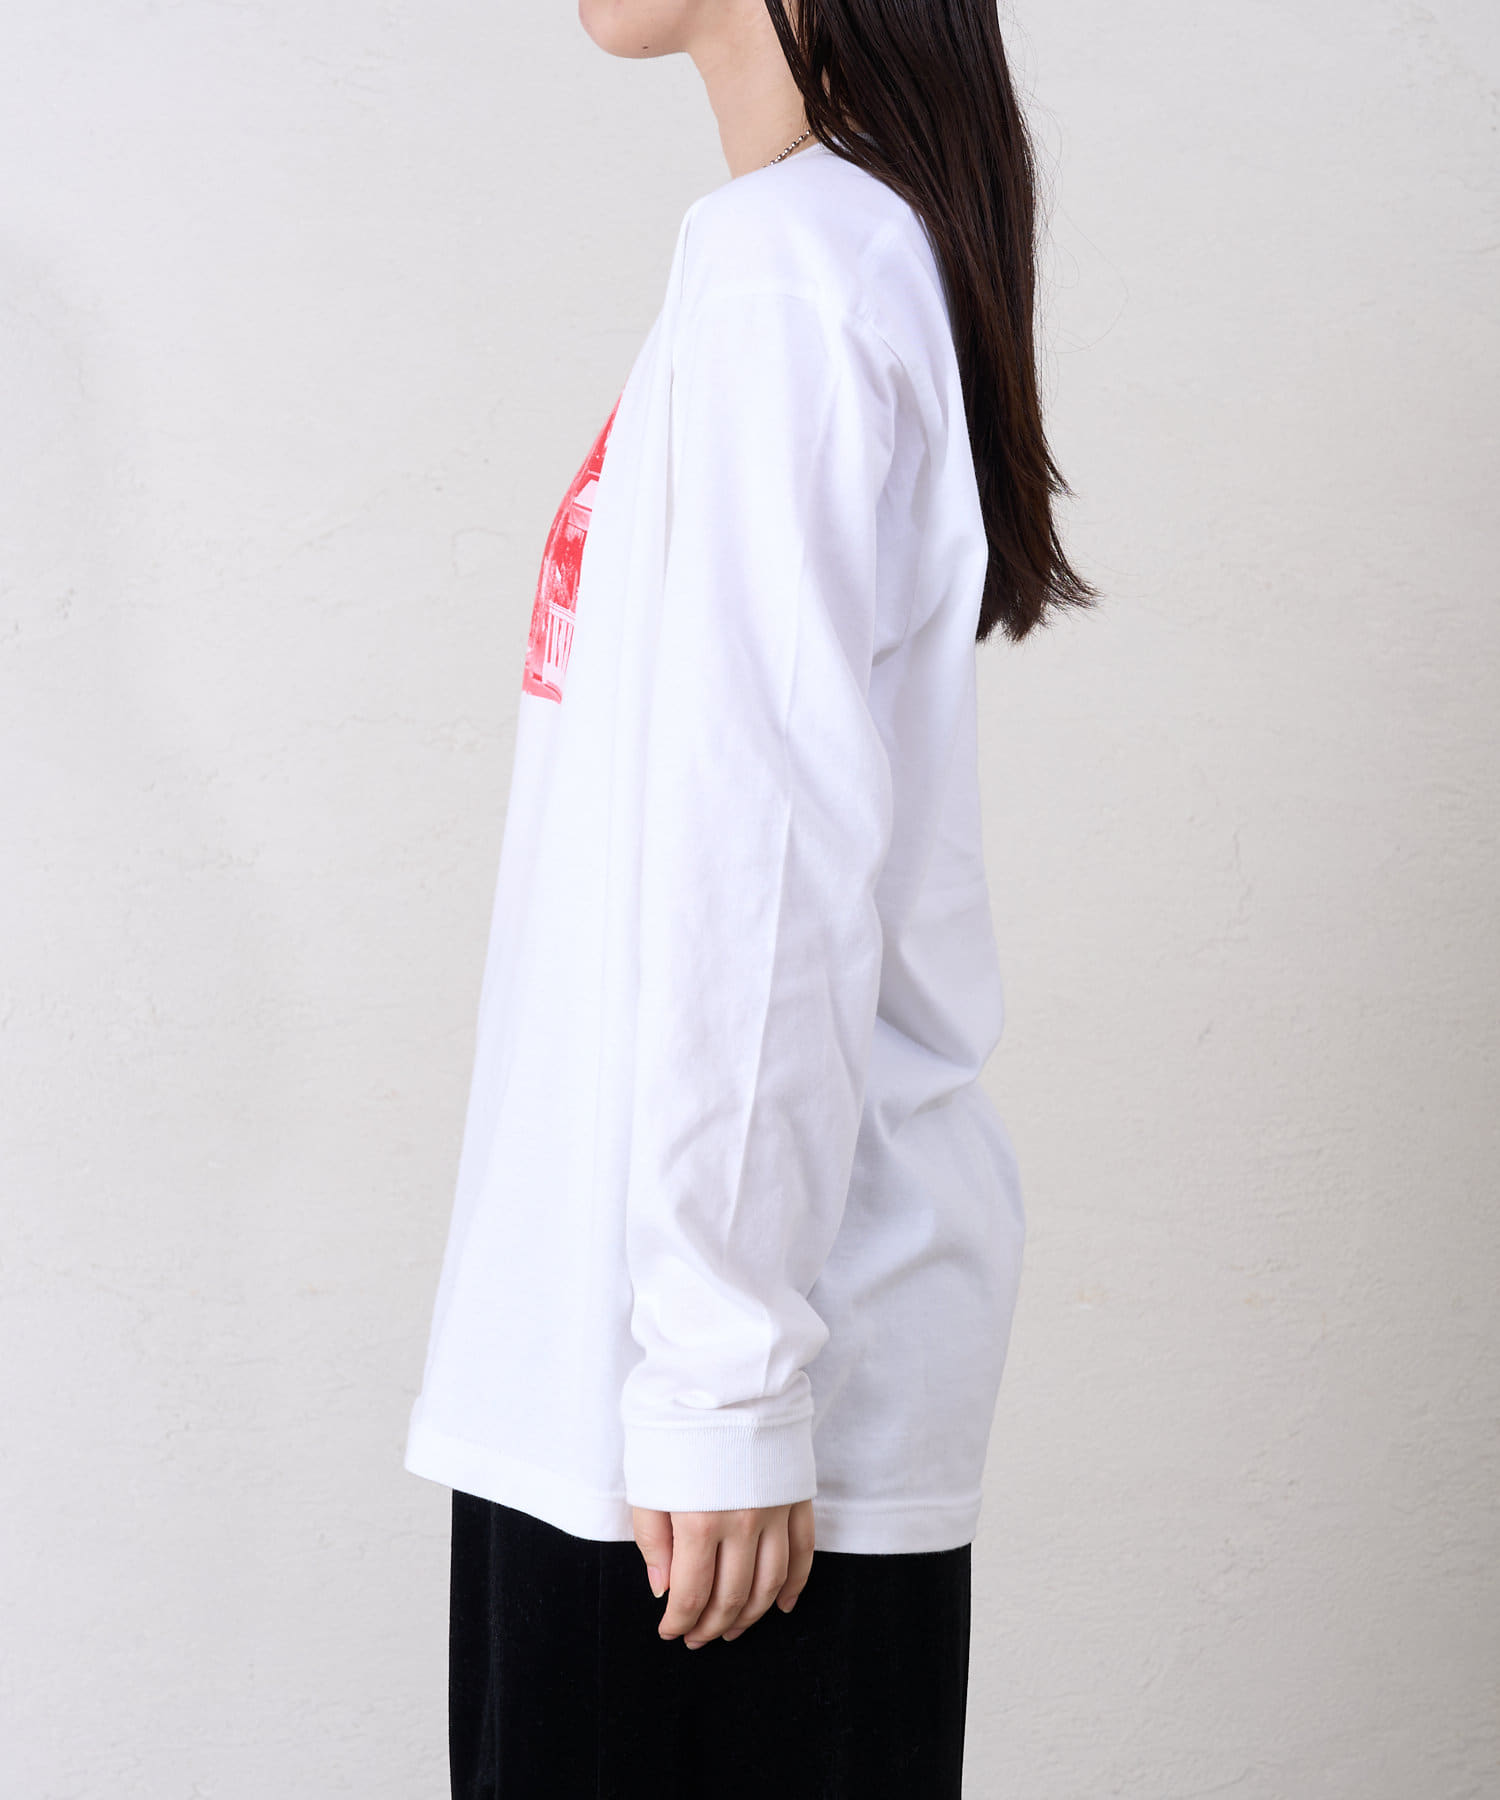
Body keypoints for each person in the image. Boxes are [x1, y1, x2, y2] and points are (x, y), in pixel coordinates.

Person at [404, 1, 1095, 1793]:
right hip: (655, 1385)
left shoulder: (790, 266)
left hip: (690, 1434)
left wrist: (722, 1380)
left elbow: (762, 845)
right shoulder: (820, 252)